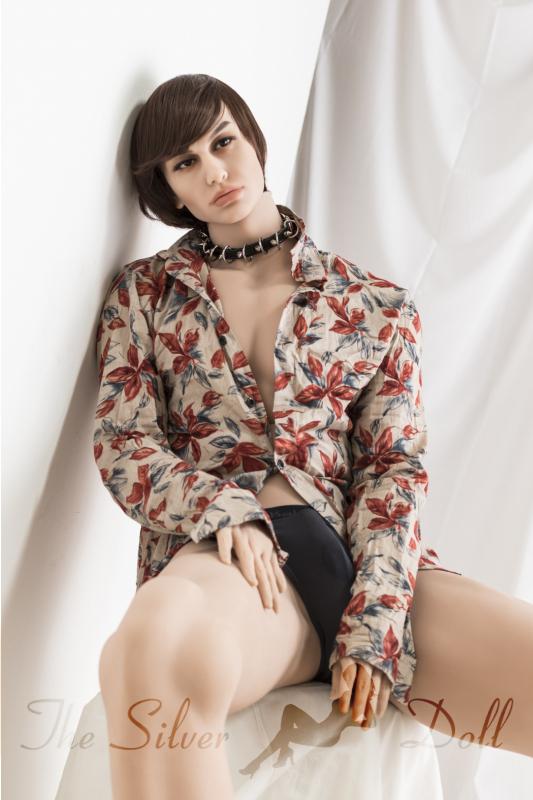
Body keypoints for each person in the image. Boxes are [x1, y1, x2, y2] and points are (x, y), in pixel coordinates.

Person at [95, 74, 533, 799]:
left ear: (253, 140)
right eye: (185, 163)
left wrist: (375, 619)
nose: (215, 171)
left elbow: (392, 471)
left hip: (361, 561)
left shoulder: (375, 304)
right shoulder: (145, 294)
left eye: (223, 142)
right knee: (155, 644)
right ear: (168, 190)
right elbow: (124, 443)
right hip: (237, 569)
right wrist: (221, 509)